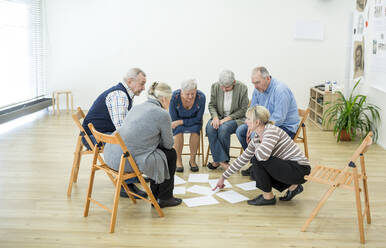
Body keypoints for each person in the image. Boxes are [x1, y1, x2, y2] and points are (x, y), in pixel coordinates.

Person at [104, 82, 182, 208]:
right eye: (170, 99)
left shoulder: (137, 107)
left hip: (111, 156)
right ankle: (165, 197)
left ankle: (157, 194)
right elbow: (168, 145)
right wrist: (166, 131)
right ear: (163, 99)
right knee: (170, 154)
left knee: (156, 152)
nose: (170, 103)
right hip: (125, 161)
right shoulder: (163, 114)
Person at [214, 106, 311, 206]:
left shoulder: (270, 132)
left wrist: (255, 144)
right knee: (254, 171)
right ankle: (293, 187)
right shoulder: (258, 136)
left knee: (257, 160)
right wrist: (223, 177)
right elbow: (243, 158)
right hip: (289, 167)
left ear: (257, 122)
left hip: (299, 169)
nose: (245, 122)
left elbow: (262, 157)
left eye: (248, 119)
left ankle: (268, 198)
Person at [82, 68, 147, 198]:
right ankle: (126, 185)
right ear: (130, 81)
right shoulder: (119, 95)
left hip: (100, 132)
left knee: (134, 140)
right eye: (141, 83)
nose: (144, 88)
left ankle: (133, 177)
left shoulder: (126, 93)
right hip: (92, 137)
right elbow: (122, 128)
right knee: (128, 144)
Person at [236, 67, 300, 176]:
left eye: (257, 82)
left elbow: (278, 118)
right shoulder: (258, 89)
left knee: (255, 136)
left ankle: (263, 169)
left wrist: (257, 130)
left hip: (284, 127)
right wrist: (252, 126)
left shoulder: (280, 90)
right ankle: (256, 164)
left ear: (267, 78)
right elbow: (252, 111)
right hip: (263, 124)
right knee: (241, 131)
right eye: (253, 83)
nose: (255, 86)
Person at [206, 70, 249, 170]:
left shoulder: (242, 88)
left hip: (236, 118)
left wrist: (227, 119)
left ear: (233, 82)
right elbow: (212, 105)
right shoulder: (215, 86)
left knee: (223, 128)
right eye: (222, 87)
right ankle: (221, 161)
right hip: (219, 116)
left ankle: (220, 161)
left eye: (227, 87)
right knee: (210, 128)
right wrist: (215, 117)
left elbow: (243, 110)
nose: (224, 89)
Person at [169, 79, 206, 173]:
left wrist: (181, 121)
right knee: (178, 131)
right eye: (187, 94)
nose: (190, 97)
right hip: (177, 123)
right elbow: (174, 119)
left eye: (193, 94)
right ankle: (178, 160)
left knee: (195, 131)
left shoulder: (201, 97)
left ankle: (192, 160)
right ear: (181, 92)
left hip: (194, 122)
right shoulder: (174, 97)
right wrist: (179, 122)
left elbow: (198, 119)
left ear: (196, 91)